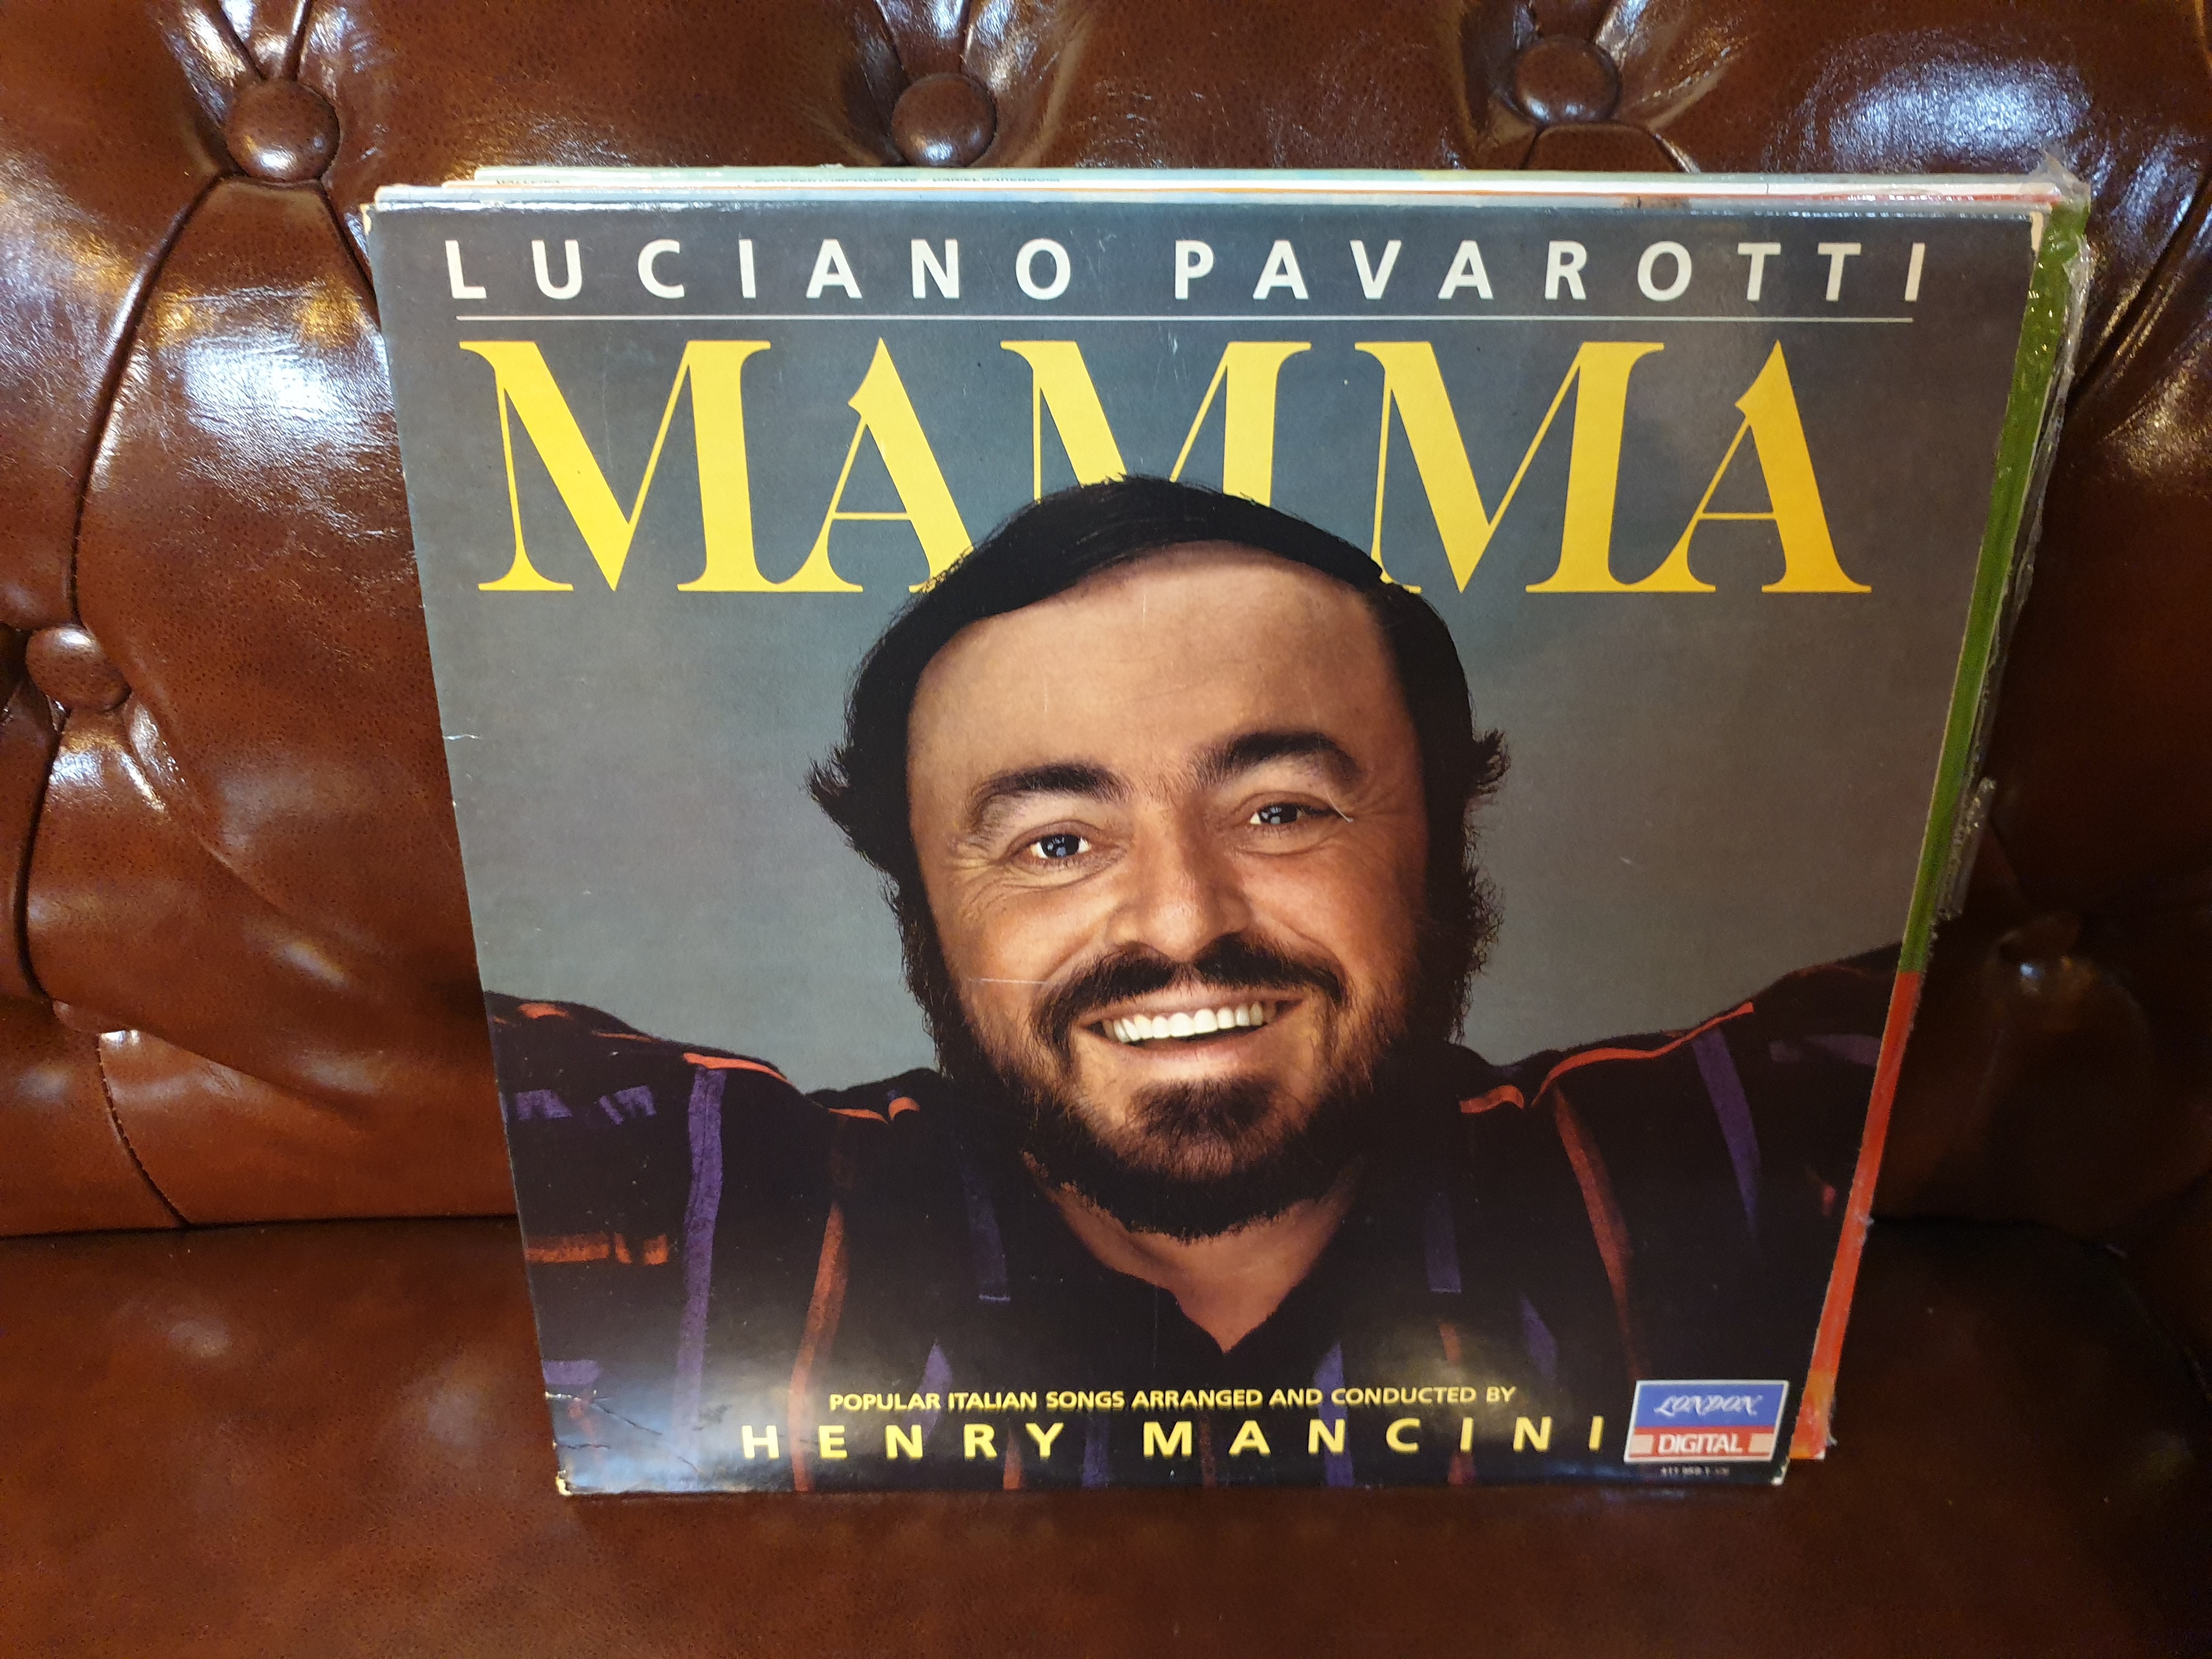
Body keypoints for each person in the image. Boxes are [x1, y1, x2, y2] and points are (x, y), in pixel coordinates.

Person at [493, 477, 1891, 1491]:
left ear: (1443, 842)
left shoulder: (1715, 1169)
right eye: (1056, 843)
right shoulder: (712, 1210)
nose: (1181, 919)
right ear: (920, 910)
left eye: (1281, 812)